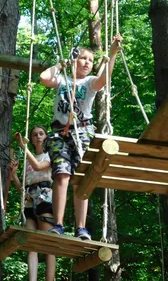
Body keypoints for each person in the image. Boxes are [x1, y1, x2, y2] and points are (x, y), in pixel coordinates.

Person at [40, 34, 122, 240]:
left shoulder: (90, 82)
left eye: (90, 60)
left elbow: (105, 79)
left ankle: (81, 227)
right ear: (75, 60)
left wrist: (112, 53)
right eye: (83, 58)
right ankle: (58, 224)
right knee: (61, 175)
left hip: (83, 132)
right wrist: (60, 65)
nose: (87, 62)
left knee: (80, 179)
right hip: (60, 132)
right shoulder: (62, 80)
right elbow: (43, 78)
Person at [10, 125, 56, 281]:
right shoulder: (28, 162)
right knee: (31, 245)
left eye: (41, 133)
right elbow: (22, 189)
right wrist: (14, 174)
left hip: (44, 199)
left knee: (48, 245)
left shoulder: (50, 155)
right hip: (30, 202)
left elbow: (39, 166)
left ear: (46, 137)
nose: (38, 136)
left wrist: (23, 147)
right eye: (35, 134)